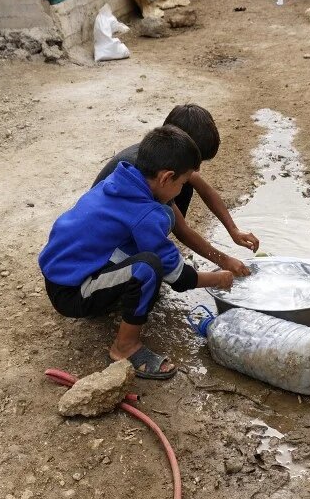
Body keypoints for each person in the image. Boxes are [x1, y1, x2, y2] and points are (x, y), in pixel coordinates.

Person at [39, 126, 235, 380]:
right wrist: (220, 278)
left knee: (147, 252)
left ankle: (114, 294)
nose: (181, 191)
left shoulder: (122, 178)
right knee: (148, 268)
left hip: (61, 273)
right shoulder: (144, 214)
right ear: (166, 178)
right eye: (183, 184)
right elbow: (180, 279)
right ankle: (125, 347)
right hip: (71, 293)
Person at [93, 104, 259, 277]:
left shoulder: (158, 154)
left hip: (119, 226)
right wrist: (223, 261)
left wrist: (233, 230)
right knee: (154, 265)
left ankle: (152, 250)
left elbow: (205, 189)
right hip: (105, 250)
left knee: (185, 184)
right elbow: (183, 231)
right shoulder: (147, 173)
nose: (198, 170)